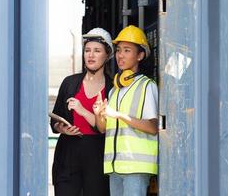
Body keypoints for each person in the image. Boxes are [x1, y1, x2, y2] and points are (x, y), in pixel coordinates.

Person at [93, 25, 158, 196]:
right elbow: (103, 129)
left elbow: (153, 127)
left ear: (140, 55)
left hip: (135, 167)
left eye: (127, 50)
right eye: (119, 50)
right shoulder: (115, 90)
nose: (120, 55)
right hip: (115, 166)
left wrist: (119, 115)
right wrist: (99, 115)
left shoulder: (147, 86)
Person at [50, 27, 113, 196]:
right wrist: (61, 128)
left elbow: (108, 128)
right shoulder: (69, 83)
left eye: (97, 51)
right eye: (87, 50)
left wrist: (83, 110)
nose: (90, 55)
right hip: (68, 153)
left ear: (107, 55)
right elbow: (55, 120)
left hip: (97, 155)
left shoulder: (113, 88)